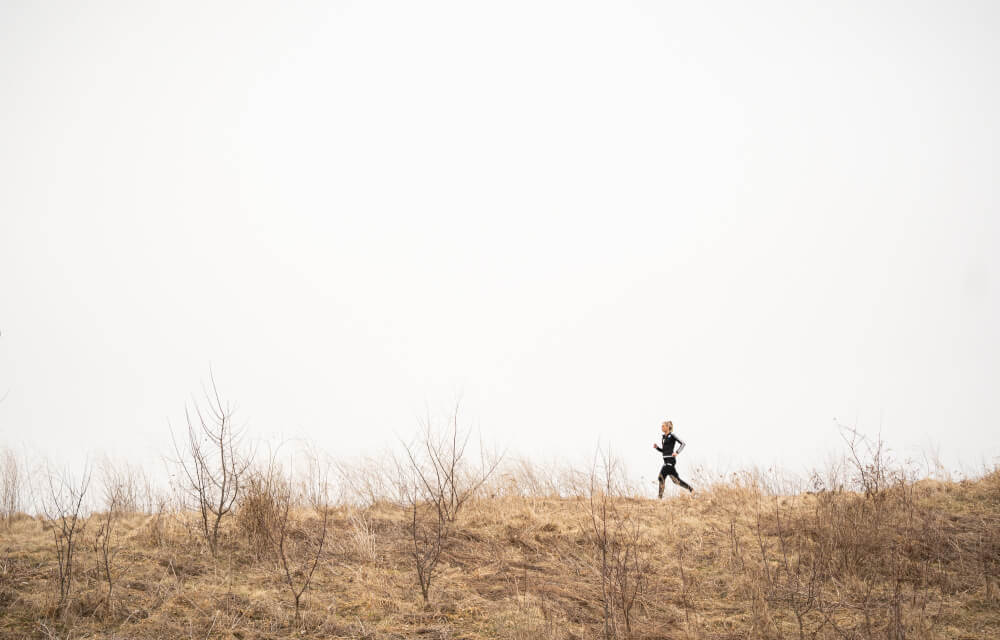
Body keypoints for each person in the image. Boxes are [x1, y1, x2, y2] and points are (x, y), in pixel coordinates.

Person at [654, 420, 693, 497]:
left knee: (661, 477)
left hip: (670, 461)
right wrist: (657, 448)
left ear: (668, 427)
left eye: (663, 426)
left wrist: (677, 452)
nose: (661, 427)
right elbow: (664, 451)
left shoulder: (672, 435)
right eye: (661, 426)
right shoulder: (663, 437)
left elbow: (683, 443)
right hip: (666, 461)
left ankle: (659, 498)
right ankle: (691, 490)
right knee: (676, 481)